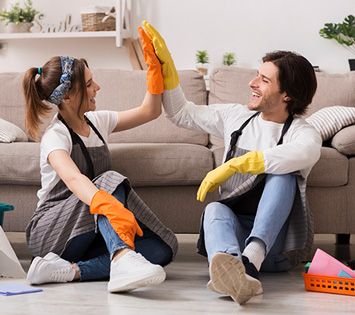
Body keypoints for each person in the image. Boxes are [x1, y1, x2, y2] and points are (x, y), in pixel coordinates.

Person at [141, 21, 322, 304]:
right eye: (256, 75)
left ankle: (250, 262)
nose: (252, 83)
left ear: (287, 95)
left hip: (278, 248)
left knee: (283, 175)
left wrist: (236, 164)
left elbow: (304, 154)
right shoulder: (236, 117)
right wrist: (167, 66)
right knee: (214, 208)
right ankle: (235, 271)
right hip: (234, 241)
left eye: (264, 80)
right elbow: (181, 114)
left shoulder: (302, 133)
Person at [22, 27, 178, 293]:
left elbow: (150, 111)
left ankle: (69, 271)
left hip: (86, 230)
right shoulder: (56, 136)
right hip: (50, 232)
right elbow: (72, 178)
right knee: (108, 179)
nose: (98, 87)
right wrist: (106, 201)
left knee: (163, 248)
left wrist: (155, 68)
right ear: (68, 97)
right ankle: (120, 257)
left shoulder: (96, 122)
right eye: (89, 84)